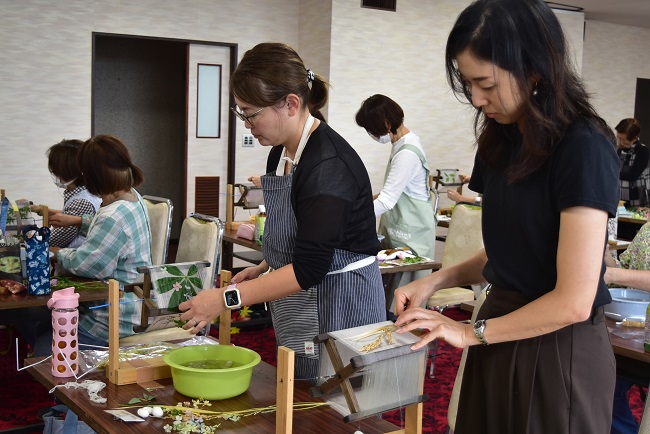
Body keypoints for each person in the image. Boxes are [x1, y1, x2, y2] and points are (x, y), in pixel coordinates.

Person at [392, 1, 620, 433]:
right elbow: (509, 248)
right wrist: (435, 279)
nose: (477, 99)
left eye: (487, 84)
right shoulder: (500, 139)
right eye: (468, 83)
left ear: (534, 71)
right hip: (499, 329)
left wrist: (468, 333)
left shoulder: (584, 145)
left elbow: (573, 300)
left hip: (556, 345)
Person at [179, 42, 385, 380]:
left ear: (290, 103)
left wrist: (227, 298)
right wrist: (264, 265)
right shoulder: (282, 153)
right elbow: (301, 234)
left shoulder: (329, 166)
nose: (246, 123)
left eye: (250, 113)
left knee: (337, 402)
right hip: (301, 294)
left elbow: (310, 267)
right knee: (301, 387)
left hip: (341, 299)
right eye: (241, 112)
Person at [30, 134, 152, 355]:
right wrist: (79, 221)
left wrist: (57, 253)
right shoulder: (133, 198)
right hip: (137, 303)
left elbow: (89, 265)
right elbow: (111, 233)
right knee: (44, 327)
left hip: (113, 316)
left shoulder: (112, 215)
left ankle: (76, 386)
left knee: (43, 349)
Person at [354, 94, 437, 305]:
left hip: (412, 235)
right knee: (393, 298)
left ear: (387, 123)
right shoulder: (401, 144)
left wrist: (350, 217)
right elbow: (390, 193)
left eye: (372, 129)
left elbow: (387, 201)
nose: (371, 134)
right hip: (401, 231)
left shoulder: (406, 153)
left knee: (405, 302)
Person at [605, 222, 650, 434]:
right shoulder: (648, 229)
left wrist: (612, 275)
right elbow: (624, 274)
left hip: (639, 339)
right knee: (606, 384)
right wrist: (604, 258)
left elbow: (617, 277)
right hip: (630, 334)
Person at [24, 139, 102, 248]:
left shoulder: (81, 202)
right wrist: (40, 209)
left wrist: (28, 236)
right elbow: (70, 214)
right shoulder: (86, 192)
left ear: (66, 170)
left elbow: (52, 241)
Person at [616, 118, 650, 207]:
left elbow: (633, 175)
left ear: (634, 138)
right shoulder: (618, 150)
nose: (619, 141)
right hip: (619, 196)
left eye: (623, 139)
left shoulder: (642, 150)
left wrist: (610, 172)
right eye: (618, 137)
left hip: (637, 197)